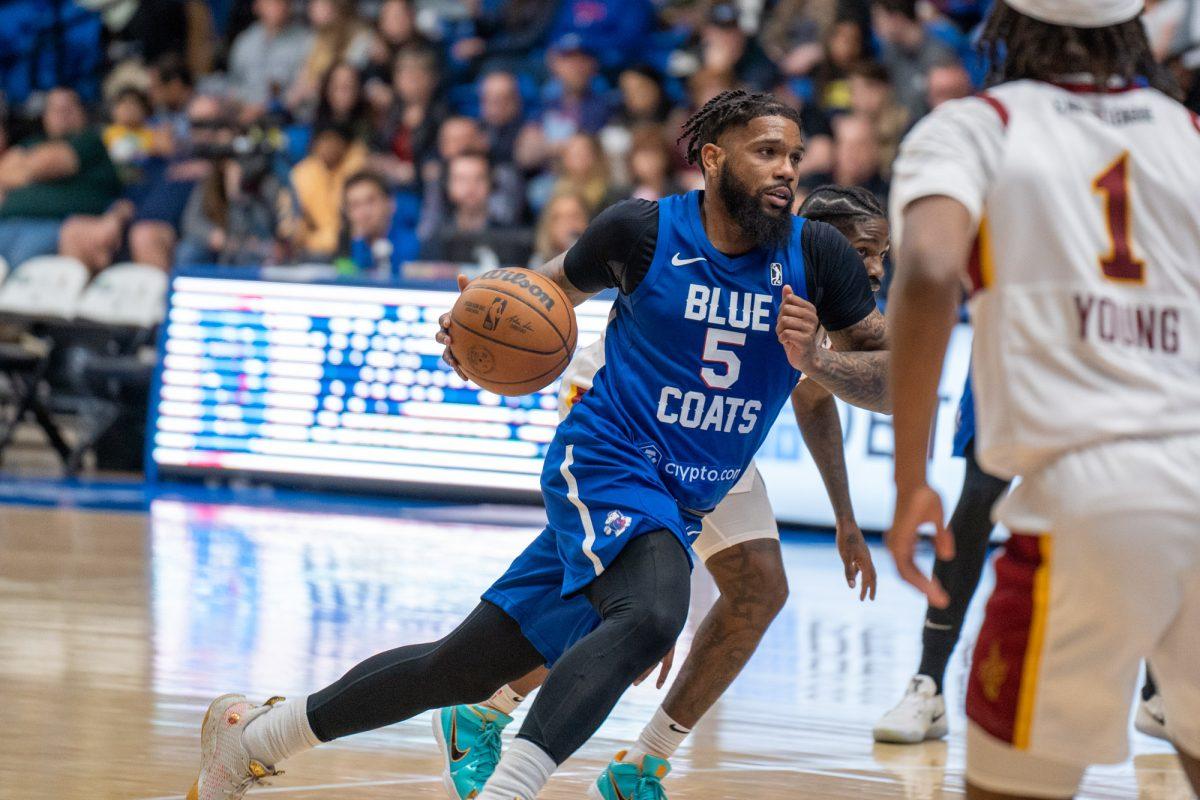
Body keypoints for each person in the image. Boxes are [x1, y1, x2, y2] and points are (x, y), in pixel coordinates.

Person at [187, 89, 889, 800]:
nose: (785, 171)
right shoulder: (641, 232)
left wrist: (821, 363)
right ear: (713, 158)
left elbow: (895, 378)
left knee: (460, 668)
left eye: (794, 157)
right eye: (766, 152)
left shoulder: (818, 257)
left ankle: (251, 739)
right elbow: (541, 293)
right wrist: (471, 332)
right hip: (609, 461)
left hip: (684, 495)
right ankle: (512, 790)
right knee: (652, 610)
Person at [433, 183, 891, 800]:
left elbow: (814, 398)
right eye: (865, 249)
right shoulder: (773, 267)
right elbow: (554, 283)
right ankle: (487, 707)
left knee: (757, 589)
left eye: (884, 254)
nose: (875, 267)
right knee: (618, 607)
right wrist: (475, 327)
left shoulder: (822, 294)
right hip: (627, 418)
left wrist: (846, 518)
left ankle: (640, 766)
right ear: (825, 236)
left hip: (707, 446)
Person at [885, 2, 1200, 799]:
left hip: (1087, 501)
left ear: (1006, 30)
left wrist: (910, 477)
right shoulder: (1186, 134)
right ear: (1131, 30)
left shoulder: (975, 126)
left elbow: (926, 270)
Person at [0, 87, 122, 267]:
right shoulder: (31, 142)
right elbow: (3, 173)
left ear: (82, 113)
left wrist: (27, 167)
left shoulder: (89, 140)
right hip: (8, 223)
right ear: (45, 116)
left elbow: (53, 163)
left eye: (68, 109)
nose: (62, 115)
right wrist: (35, 169)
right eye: (55, 110)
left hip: (55, 225)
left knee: (19, 268)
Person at [340, 170, 419, 277]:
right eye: (355, 205)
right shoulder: (344, 247)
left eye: (370, 201)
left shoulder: (415, 246)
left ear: (390, 204)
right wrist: (358, 244)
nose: (364, 213)